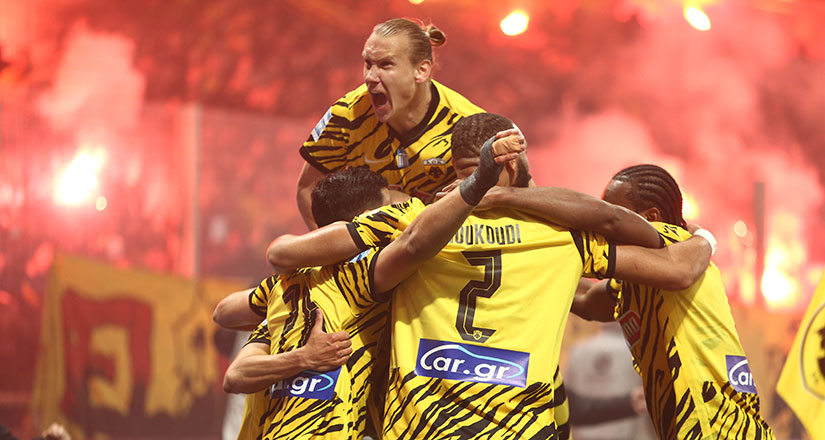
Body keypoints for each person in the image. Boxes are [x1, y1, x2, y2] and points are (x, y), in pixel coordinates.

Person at [267, 112, 717, 439]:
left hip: (423, 427)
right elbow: (656, 257)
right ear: (514, 165)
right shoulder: (565, 235)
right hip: (521, 428)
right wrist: (704, 239)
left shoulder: (414, 219)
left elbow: (285, 252)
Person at [215, 133, 525, 439]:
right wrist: (478, 182)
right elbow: (414, 244)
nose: (404, 201)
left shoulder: (286, 289)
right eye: (393, 199)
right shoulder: (360, 276)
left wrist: (288, 338)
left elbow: (227, 321)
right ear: (372, 216)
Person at [573, 164, 775, 439]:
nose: (605, 227)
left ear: (651, 218)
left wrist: (705, 239)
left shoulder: (672, 242)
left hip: (716, 429)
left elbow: (681, 268)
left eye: (616, 214)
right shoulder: (637, 278)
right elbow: (585, 299)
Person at [296, 17, 484, 230]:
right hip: (370, 243)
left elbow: (495, 198)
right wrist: (331, 246)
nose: (370, 77)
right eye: (368, 64)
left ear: (421, 70)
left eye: (386, 64)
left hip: (444, 241)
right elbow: (307, 188)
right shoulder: (347, 115)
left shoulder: (468, 125)